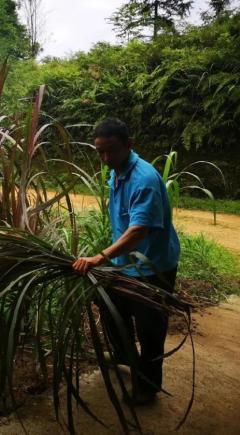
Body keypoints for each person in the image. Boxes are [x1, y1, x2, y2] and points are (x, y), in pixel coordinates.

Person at [72, 118, 180, 406]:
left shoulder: (143, 179)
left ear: (130, 145)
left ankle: (148, 387)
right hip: (124, 263)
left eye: (112, 151)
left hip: (153, 267)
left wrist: (98, 257)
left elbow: (138, 230)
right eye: (100, 152)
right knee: (106, 300)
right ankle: (122, 353)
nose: (106, 159)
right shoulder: (117, 171)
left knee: (150, 329)